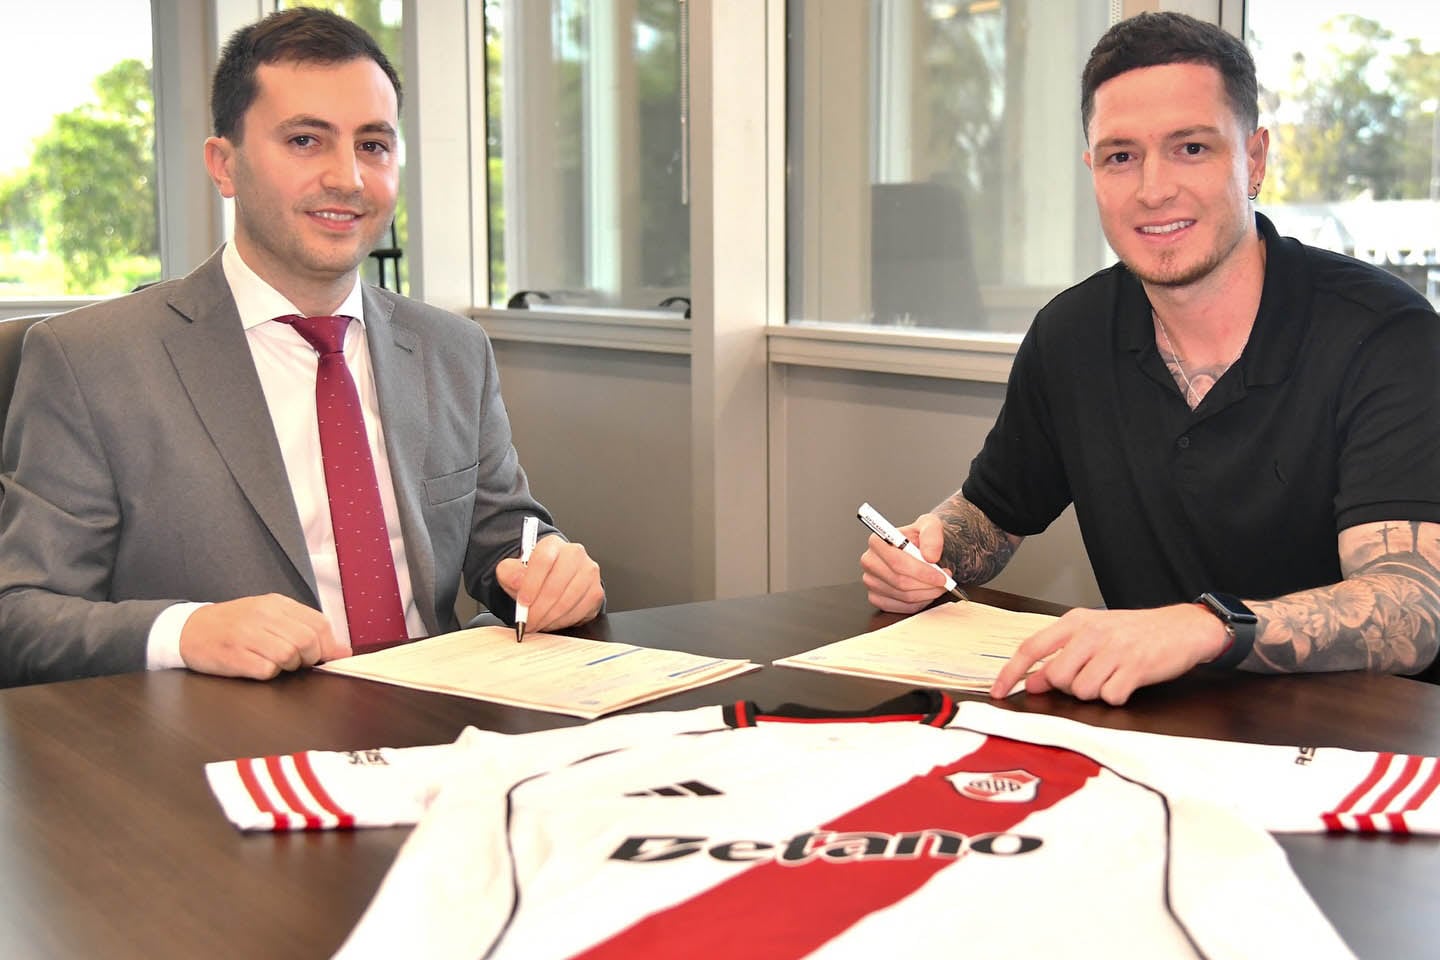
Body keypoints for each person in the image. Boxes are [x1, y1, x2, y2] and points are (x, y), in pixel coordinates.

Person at [0, 8, 604, 686]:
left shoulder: (453, 349)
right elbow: (20, 615)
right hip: (225, 732)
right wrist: (187, 630)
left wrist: (551, 568)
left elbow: (505, 538)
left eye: (372, 145)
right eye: (305, 141)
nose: (347, 177)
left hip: (443, 716)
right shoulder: (90, 361)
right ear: (224, 164)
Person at [860, 12, 1440, 705]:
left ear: (1254, 159)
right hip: (1152, 722)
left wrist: (1208, 628)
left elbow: (1410, 609)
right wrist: (929, 551)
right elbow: (991, 514)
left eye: (1191, 148)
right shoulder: (1070, 335)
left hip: (1362, 740)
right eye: (1121, 156)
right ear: (1092, 171)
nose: (1153, 189)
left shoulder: (1384, 333)